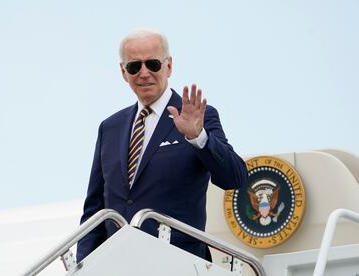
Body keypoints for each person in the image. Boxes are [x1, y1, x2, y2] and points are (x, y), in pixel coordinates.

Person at [76, 28, 247, 262]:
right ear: (124, 72)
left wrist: (199, 138)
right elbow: (95, 209)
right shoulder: (110, 128)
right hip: (118, 263)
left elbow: (234, 177)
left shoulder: (199, 117)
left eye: (153, 64)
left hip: (176, 260)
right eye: (135, 66)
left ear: (169, 66)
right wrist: (82, 264)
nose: (144, 73)